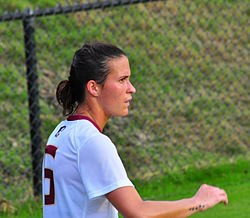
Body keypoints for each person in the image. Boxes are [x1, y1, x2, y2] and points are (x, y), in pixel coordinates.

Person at [42, 42, 228, 218]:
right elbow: (138, 212)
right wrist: (198, 202)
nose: (132, 89)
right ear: (94, 88)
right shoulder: (91, 142)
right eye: (122, 80)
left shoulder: (62, 131)